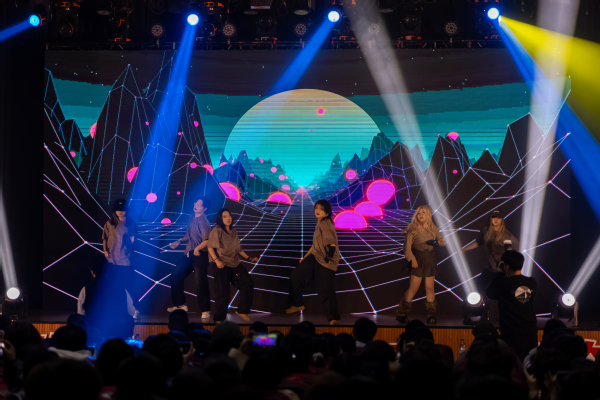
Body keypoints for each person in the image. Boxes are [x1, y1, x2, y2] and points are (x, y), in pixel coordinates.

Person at [286, 199, 341, 325]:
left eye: (321, 209)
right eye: (316, 208)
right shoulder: (319, 222)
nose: (317, 211)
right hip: (315, 256)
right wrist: (305, 257)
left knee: (326, 289)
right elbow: (315, 245)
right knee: (296, 276)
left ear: (327, 212)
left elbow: (332, 245)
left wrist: (328, 258)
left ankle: (334, 318)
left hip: (327, 260)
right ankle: (298, 304)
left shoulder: (326, 223)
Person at [396, 205, 446, 325]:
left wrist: (441, 242)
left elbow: (440, 241)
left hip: (430, 259)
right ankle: (402, 313)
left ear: (428, 215)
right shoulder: (412, 229)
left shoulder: (433, 228)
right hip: (417, 259)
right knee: (413, 288)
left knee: (430, 288)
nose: (420, 215)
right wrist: (412, 259)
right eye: (418, 213)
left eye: (423, 212)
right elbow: (407, 247)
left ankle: (431, 314)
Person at [208, 208, 259, 323]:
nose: (228, 218)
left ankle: (242, 311)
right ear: (220, 219)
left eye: (229, 216)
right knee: (223, 293)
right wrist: (217, 261)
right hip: (221, 264)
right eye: (224, 216)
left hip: (235, 263)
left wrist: (249, 258)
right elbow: (210, 247)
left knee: (248, 283)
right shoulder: (217, 230)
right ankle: (219, 320)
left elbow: (239, 250)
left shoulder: (234, 231)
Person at [486, 250, 537, 360]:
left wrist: (500, 273)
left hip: (511, 334)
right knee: (528, 363)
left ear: (507, 266)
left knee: (511, 364)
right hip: (531, 334)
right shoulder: (532, 282)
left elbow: (489, 293)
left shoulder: (504, 283)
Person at [168, 197, 213, 319]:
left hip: (200, 254)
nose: (196, 205)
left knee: (200, 282)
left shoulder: (203, 221)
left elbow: (207, 240)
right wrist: (178, 242)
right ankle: (180, 305)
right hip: (189, 253)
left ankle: (206, 310)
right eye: (196, 202)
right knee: (175, 276)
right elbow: (187, 235)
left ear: (205, 208)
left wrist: (197, 249)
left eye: (199, 204)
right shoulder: (192, 217)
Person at [463, 209, 520, 298]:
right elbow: (478, 243)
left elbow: (510, 254)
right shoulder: (486, 230)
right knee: (480, 286)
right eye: (494, 217)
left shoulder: (507, 236)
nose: (496, 219)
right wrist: (464, 249)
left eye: (498, 217)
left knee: (501, 292)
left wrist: (509, 270)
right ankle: (484, 304)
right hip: (490, 268)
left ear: (502, 220)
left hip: (502, 270)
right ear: (491, 219)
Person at [102, 198, 140, 319]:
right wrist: (105, 251)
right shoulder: (109, 223)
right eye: (118, 210)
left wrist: (131, 242)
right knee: (113, 286)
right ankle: (114, 311)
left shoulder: (131, 224)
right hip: (112, 261)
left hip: (126, 260)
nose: (120, 212)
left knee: (130, 286)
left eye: (122, 210)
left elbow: (135, 240)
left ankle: (137, 309)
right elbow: (105, 238)